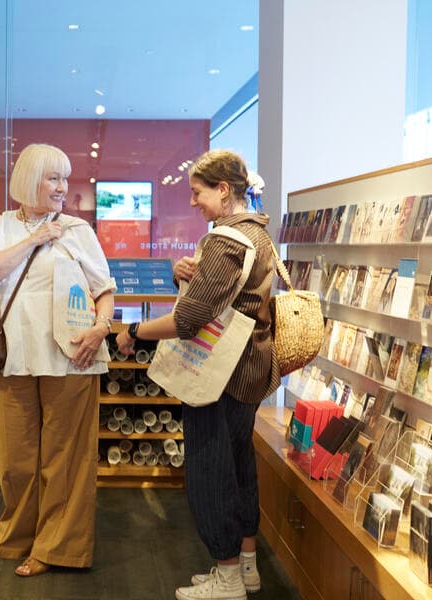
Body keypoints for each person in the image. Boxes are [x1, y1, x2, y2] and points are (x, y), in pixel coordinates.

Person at [115, 149, 280, 600]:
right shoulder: (258, 235)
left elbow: (188, 321)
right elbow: (228, 296)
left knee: (211, 471)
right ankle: (246, 566)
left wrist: (133, 330)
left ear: (224, 190)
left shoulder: (225, 241)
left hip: (218, 375)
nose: (193, 202)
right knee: (241, 464)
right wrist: (183, 273)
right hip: (249, 370)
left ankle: (225, 577)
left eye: (198, 192)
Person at [0, 143, 116, 578]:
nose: (62, 188)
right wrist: (35, 238)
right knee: (15, 459)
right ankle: (19, 535)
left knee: (65, 459)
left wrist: (101, 327)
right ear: (29, 179)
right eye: (54, 178)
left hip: (73, 357)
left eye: (65, 179)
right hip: (15, 359)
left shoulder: (78, 230)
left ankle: (57, 548)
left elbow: (104, 290)